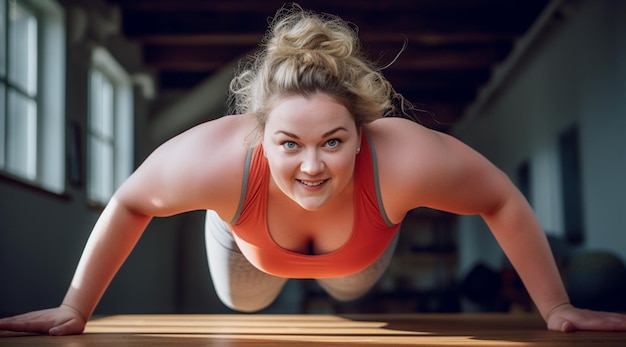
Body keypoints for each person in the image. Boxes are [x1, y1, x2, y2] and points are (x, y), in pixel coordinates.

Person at [1, 4, 625, 336]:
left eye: (333, 141)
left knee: (349, 290)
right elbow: (132, 200)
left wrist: (555, 307)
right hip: (248, 254)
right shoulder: (216, 157)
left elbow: (500, 199)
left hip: (360, 253)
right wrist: (74, 307)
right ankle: (227, 229)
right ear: (260, 139)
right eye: (289, 144)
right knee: (246, 307)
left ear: (361, 136)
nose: (311, 165)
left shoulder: (404, 158)